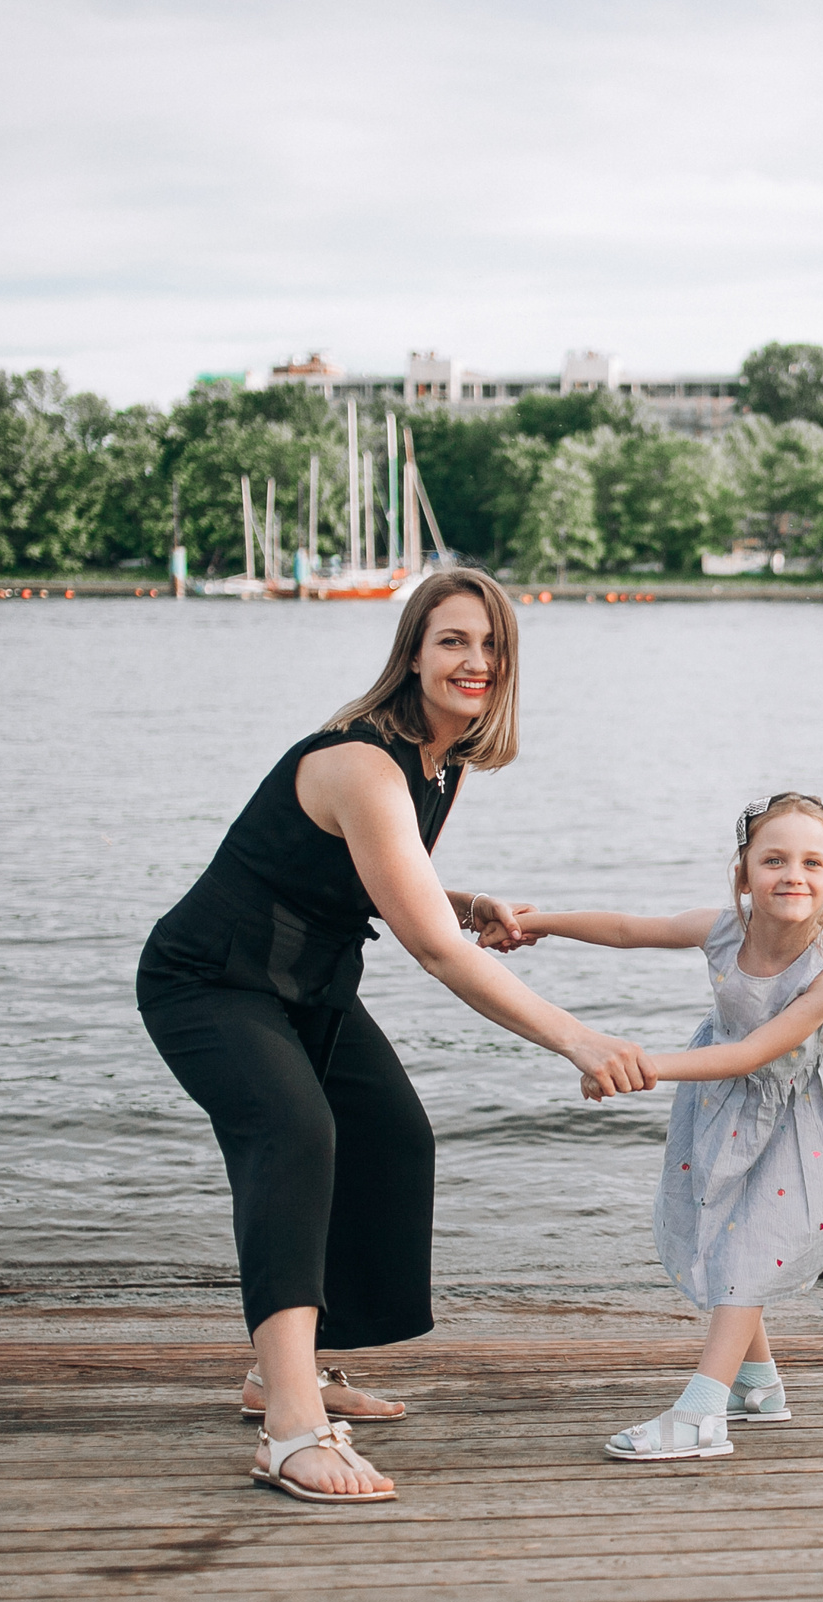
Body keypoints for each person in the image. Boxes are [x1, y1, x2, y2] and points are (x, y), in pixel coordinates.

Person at [136, 568, 653, 1504]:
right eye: (453, 640)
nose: (475, 660)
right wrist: (575, 1037)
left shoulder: (440, 762)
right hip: (211, 981)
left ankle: (285, 1369)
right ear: (413, 651)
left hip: (310, 982)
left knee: (391, 1137)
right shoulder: (365, 759)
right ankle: (292, 1429)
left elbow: (383, 873)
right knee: (294, 1135)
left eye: (492, 645)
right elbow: (435, 952)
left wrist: (464, 898)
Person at [511, 793, 823, 1462]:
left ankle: (701, 1414)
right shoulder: (727, 929)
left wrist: (637, 1065)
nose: (794, 875)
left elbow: (753, 1052)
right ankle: (758, 1385)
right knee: (724, 1231)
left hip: (794, 1119)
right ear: (743, 873)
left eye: (813, 862)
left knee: (750, 1246)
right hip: (723, 1104)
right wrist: (541, 922)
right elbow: (627, 928)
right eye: (775, 859)